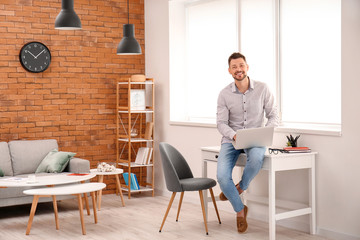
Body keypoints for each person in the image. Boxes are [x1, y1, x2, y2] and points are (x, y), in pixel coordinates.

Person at [216, 52, 279, 233]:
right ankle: (240, 210)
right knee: (221, 177)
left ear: (247, 67)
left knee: (256, 160)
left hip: (255, 139)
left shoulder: (263, 88)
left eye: (241, 65)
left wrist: (267, 130)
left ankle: (240, 188)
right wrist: (234, 135)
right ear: (229, 70)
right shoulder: (224, 94)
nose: (238, 69)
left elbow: (274, 114)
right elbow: (221, 123)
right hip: (231, 140)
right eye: (234, 67)